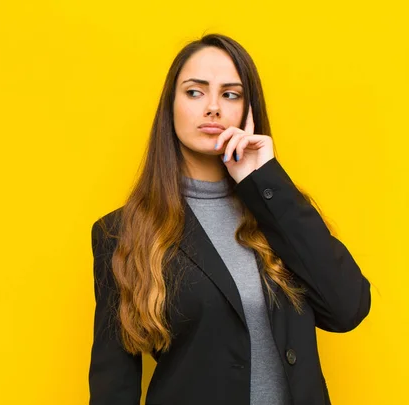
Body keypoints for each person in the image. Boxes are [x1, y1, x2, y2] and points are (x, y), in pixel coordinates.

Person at [88, 33, 371, 405]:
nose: (213, 108)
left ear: (247, 110)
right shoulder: (121, 232)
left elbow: (347, 308)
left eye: (230, 94)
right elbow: (114, 387)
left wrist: (265, 178)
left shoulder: (278, 209)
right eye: (194, 92)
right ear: (170, 106)